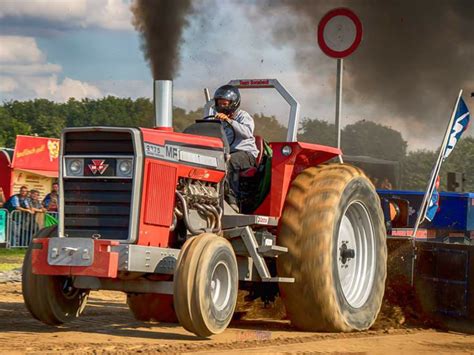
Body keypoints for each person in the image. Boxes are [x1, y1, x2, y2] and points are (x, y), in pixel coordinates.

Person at [213, 84, 259, 211]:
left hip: (247, 155)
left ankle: (231, 202)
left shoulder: (243, 116)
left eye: (225, 103)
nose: (222, 106)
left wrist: (229, 121)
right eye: (220, 103)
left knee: (227, 162)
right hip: (227, 153)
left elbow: (247, 133)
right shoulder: (218, 120)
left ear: (233, 103)